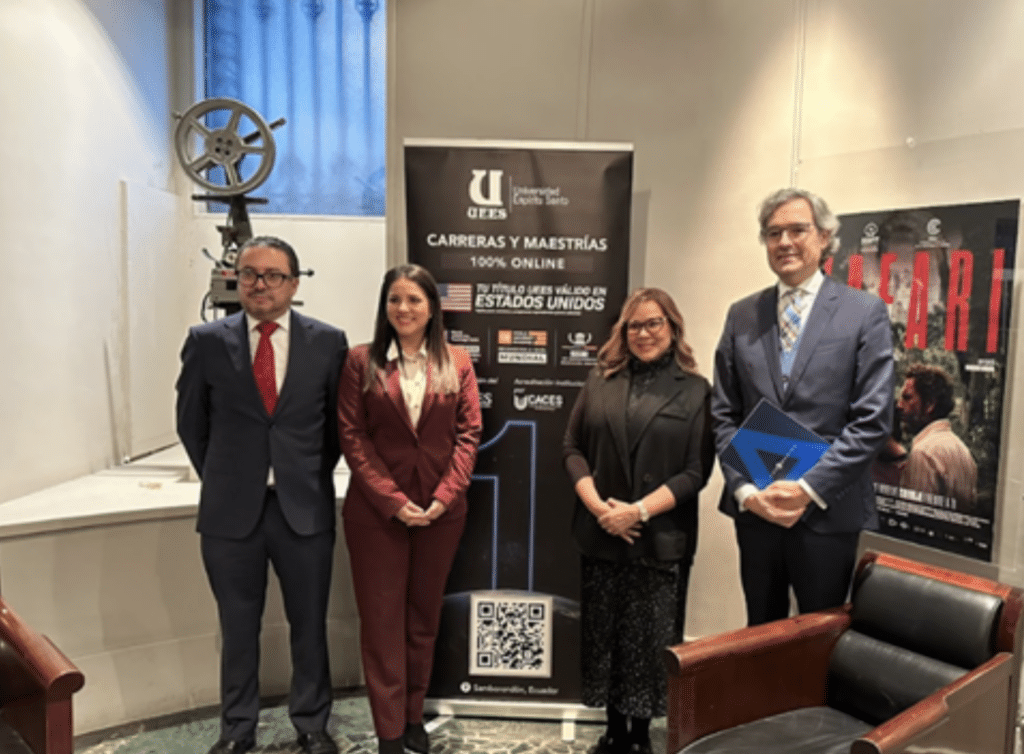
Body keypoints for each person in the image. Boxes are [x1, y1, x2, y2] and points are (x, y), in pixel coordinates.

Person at [176, 236, 349, 754]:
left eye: (273, 275)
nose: (260, 285)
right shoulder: (206, 341)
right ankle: (237, 729)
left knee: (309, 625)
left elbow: (336, 430)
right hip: (230, 515)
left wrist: (303, 476)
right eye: (248, 274)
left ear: (293, 284)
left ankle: (312, 723)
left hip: (304, 510)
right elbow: (191, 425)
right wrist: (227, 479)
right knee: (237, 627)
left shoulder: (328, 342)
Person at [712, 187, 894, 627]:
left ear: (825, 237)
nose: (785, 242)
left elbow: (872, 420)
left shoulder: (863, 312)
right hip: (756, 509)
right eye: (774, 233)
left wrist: (808, 489)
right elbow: (723, 413)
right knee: (760, 632)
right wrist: (745, 491)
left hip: (826, 510)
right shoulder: (742, 315)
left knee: (818, 638)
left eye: (798, 230)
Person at [337, 264, 482, 754]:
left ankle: (414, 715)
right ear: (384, 306)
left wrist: (444, 498)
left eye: (414, 299)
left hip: (441, 515)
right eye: (394, 299)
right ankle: (390, 732)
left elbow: (468, 435)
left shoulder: (457, 361)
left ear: (432, 308)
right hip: (376, 517)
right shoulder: (361, 361)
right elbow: (353, 437)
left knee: (423, 620)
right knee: (382, 625)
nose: (404, 308)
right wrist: (394, 502)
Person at [563, 288, 713, 754]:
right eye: (634, 325)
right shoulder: (599, 381)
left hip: (658, 538)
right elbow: (572, 448)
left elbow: (696, 472)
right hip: (601, 532)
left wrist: (638, 510)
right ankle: (613, 732)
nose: (643, 333)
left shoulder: (696, 390)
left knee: (648, 645)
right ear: (622, 332)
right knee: (605, 639)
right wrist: (599, 508)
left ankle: (640, 737)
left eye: (653, 323)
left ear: (673, 327)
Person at [897, 363, 978, 511]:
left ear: (930, 404)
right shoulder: (963, 451)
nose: (899, 405)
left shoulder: (923, 453)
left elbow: (914, 516)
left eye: (907, 398)